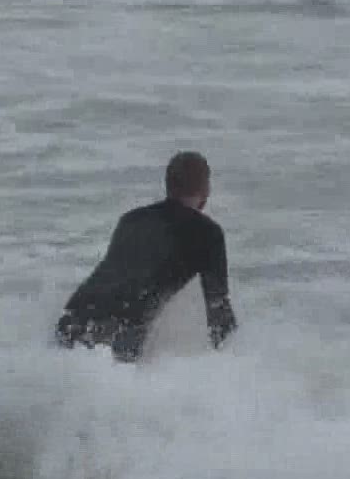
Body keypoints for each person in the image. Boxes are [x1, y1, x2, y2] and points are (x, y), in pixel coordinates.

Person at [54, 151, 237, 363]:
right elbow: (218, 309)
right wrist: (231, 363)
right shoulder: (208, 233)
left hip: (73, 316)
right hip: (119, 329)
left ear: (168, 185)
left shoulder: (131, 220)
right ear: (205, 189)